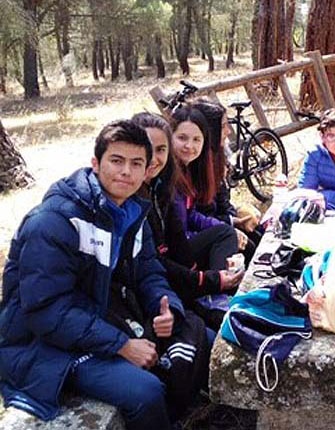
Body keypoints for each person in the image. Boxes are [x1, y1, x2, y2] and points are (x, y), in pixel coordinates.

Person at [0, 120, 185, 428]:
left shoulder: (131, 212)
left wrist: (164, 307)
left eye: (136, 163)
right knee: (145, 392)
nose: (126, 171)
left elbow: (149, 271)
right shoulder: (53, 222)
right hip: (42, 347)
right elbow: (45, 311)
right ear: (96, 164)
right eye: (116, 160)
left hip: (96, 321)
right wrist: (121, 345)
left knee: (192, 344)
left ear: (147, 171)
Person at [131, 112, 243, 325]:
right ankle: (213, 300)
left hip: (170, 265)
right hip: (151, 287)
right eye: (182, 138)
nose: (189, 146)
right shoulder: (139, 192)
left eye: (160, 150)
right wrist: (206, 280)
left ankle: (215, 300)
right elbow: (154, 259)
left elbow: (180, 228)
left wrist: (200, 276)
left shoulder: (162, 183)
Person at [189, 99, 264, 263]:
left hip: (219, 222)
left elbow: (223, 202)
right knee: (249, 247)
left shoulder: (217, 157)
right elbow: (199, 214)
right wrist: (231, 222)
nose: (228, 131)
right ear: (210, 131)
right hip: (203, 233)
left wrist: (237, 217)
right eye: (223, 126)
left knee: (259, 233)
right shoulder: (195, 167)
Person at [170, 105, 242, 271]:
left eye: (196, 139)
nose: (189, 146)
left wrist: (224, 225)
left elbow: (191, 214)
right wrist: (225, 228)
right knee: (226, 236)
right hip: (176, 250)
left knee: (233, 235)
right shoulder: (170, 176)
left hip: (189, 239)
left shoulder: (188, 169)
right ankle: (218, 283)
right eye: (182, 138)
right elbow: (176, 232)